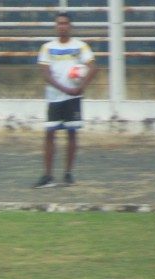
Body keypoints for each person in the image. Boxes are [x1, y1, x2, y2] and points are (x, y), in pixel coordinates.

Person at [34, 12, 97, 188]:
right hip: (54, 98)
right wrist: (64, 89)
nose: (62, 26)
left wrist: (81, 87)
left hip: (73, 98)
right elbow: (45, 74)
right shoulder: (47, 47)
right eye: (59, 23)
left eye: (65, 23)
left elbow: (93, 68)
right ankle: (47, 176)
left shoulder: (80, 47)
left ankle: (68, 174)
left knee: (72, 134)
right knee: (49, 134)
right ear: (56, 26)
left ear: (70, 26)